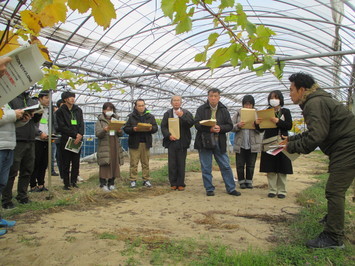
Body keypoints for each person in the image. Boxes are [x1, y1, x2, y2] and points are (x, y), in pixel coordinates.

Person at [285, 72, 355, 249]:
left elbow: (316, 136)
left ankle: (333, 237)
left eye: (292, 89)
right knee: (335, 189)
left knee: (334, 190)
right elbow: (316, 131)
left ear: (302, 90)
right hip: (345, 145)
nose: (290, 94)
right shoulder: (317, 100)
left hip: (348, 146)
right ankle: (333, 218)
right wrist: (291, 140)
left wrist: (291, 147)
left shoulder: (314, 103)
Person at [194, 88, 241, 197]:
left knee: (225, 165)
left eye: (215, 96)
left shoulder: (224, 110)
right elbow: (196, 124)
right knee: (206, 166)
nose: (213, 98)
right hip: (204, 141)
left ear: (219, 97)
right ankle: (209, 188)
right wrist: (209, 129)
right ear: (208, 97)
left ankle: (231, 188)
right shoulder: (201, 109)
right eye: (211, 96)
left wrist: (220, 128)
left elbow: (229, 125)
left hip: (219, 141)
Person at [2, 91, 41, 209]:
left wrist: (35, 114)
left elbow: (34, 121)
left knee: (28, 169)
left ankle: (22, 196)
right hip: (17, 139)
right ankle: (6, 199)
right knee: (12, 171)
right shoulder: (11, 97)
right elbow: (7, 116)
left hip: (30, 138)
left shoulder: (30, 100)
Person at [257, 90, 293, 199]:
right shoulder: (266, 112)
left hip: (282, 141)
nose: (274, 100)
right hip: (269, 142)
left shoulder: (285, 112)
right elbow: (260, 130)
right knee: (270, 167)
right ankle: (272, 190)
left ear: (280, 99)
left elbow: (289, 126)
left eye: (276, 97)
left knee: (282, 166)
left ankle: (282, 191)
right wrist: (257, 124)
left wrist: (278, 121)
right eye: (272, 97)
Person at [0, 56, 21, 235]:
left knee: (1, 182)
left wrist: (20, 118)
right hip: (1, 145)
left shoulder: (4, 97)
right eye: (3, 66)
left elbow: (8, 120)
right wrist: (14, 114)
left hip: (8, 144)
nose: (5, 70)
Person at [161, 95, 194, 191]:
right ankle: (173, 183)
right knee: (172, 163)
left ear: (181, 102)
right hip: (171, 141)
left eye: (178, 100)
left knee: (181, 162)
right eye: (174, 101)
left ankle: (181, 183)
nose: (176, 102)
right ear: (171, 103)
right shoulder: (167, 114)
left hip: (182, 142)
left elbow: (191, 123)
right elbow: (163, 127)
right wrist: (168, 135)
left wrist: (182, 116)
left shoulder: (186, 113)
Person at [123, 99, 158, 188]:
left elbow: (155, 128)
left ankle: (146, 179)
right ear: (135, 107)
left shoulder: (150, 116)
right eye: (139, 106)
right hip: (135, 143)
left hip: (146, 143)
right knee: (134, 163)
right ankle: (133, 180)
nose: (141, 107)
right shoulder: (131, 117)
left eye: (143, 105)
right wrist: (133, 129)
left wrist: (151, 128)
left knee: (145, 162)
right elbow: (126, 129)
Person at [55, 91, 84, 190]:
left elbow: (81, 123)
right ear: (65, 99)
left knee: (76, 162)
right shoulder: (60, 111)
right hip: (66, 139)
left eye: (73, 97)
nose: (72, 99)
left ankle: (74, 181)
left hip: (77, 139)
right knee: (65, 162)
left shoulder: (78, 110)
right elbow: (62, 126)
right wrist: (75, 134)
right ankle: (66, 183)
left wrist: (80, 135)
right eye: (70, 97)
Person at [232, 95, 262, 189]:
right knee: (240, 164)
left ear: (253, 105)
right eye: (246, 105)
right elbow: (230, 126)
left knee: (251, 164)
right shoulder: (238, 114)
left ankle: (249, 181)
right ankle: (241, 181)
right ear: (243, 105)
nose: (248, 107)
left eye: (250, 105)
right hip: (240, 143)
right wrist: (238, 125)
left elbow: (262, 130)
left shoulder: (257, 114)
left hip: (252, 144)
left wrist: (256, 125)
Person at [95, 102, 124, 191]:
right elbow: (98, 134)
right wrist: (104, 130)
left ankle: (111, 183)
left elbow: (121, 134)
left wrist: (119, 130)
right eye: (107, 109)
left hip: (114, 144)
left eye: (110, 109)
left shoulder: (116, 119)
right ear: (103, 110)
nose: (109, 111)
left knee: (114, 163)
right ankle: (102, 184)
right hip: (105, 145)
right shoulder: (100, 121)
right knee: (105, 163)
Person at [29, 90, 51, 192]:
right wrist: (39, 133)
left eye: (49, 98)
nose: (48, 100)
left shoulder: (49, 110)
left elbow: (51, 124)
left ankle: (41, 184)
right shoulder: (35, 109)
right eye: (46, 98)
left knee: (43, 163)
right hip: (36, 140)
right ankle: (33, 185)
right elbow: (31, 124)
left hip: (47, 140)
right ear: (40, 99)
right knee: (35, 163)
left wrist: (51, 134)